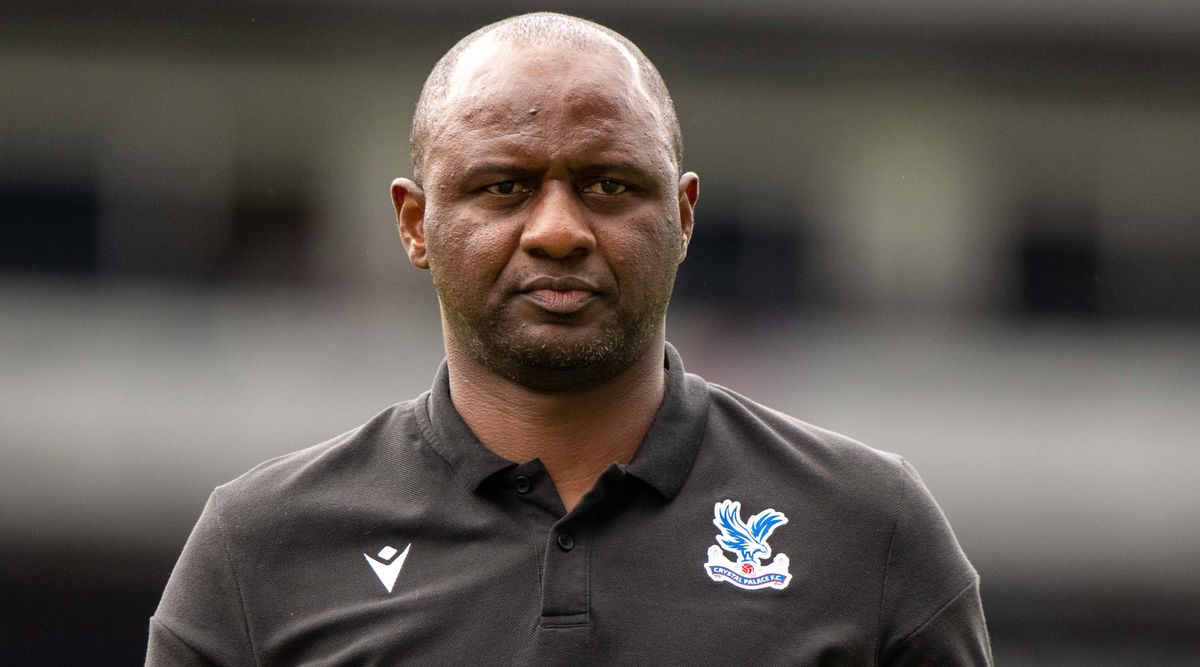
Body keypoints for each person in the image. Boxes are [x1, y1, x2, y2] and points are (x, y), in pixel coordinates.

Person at [148, 12, 991, 665]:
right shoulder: (262, 547)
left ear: (685, 215)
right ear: (414, 222)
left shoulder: (867, 527)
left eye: (609, 184)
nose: (558, 230)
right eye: (504, 186)